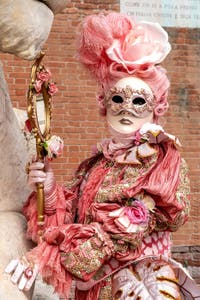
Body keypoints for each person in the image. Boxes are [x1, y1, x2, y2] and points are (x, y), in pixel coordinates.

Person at [5, 12, 200, 300]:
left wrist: (45, 258)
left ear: (155, 107)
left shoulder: (160, 160)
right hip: (96, 290)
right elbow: (71, 217)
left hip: (140, 287)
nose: (126, 109)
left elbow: (120, 231)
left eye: (138, 101)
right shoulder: (97, 164)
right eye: (118, 99)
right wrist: (49, 190)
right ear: (105, 104)